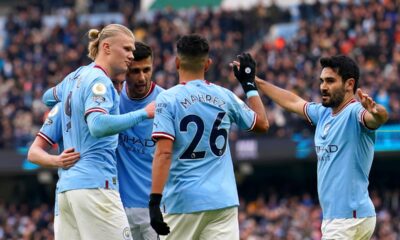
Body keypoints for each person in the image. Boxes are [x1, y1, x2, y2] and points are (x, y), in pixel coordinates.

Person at [253, 55, 388, 239]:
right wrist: (257, 82)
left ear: (349, 84)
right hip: (342, 217)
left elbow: (377, 118)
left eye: (330, 81)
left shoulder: (355, 112)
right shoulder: (323, 113)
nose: (323, 86)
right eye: (322, 81)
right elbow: (293, 102)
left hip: (348, 219)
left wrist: (376, 111)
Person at [149, 34, 269, 239]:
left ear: (177, 62)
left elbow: (163, 154)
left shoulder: (167, 99)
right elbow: (262, 124)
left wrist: (154, 201)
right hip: (222, 201)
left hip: (182, 202)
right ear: (208, 64)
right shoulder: (225, 96)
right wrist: (249, 85)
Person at [44, 24, 154, 240]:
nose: (131, 56)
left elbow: (47, 97)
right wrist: (144, 113)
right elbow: (97, 125)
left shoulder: (75, 76)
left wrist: (73, 95)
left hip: (68, 190)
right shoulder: (100, 80)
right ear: (106, 47)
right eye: (127, 49)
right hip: (96, 185)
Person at [28, 73, 126, 237]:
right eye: (114, 83)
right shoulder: (64, 107)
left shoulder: (114, 107)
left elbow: (47, 97)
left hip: (70, 194)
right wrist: (57, 160)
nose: (117, 89)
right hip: (93, 188)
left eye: (122, 83)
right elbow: (33, 153)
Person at [116, 42, 163, 239]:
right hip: (120, 207)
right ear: (125, 69)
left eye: (146, 70)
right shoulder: (112, 100)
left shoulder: (166, 101)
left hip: (157, 208)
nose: (142, 77)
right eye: (135, 71)